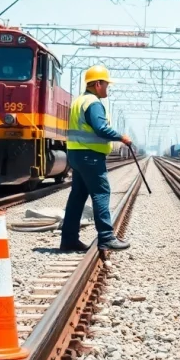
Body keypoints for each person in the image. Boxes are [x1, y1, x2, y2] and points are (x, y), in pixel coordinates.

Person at [60, 65, 132, 252]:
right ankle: (106, 237)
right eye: (106, 84)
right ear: (98, 84)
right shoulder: (93, 103)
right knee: (101, 193)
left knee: (77, 197)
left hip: (75, 154)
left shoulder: (78, 101)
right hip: (89, 155)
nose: (108, 88)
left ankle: (68, 239)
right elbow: (101, 129)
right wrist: (121, 137)